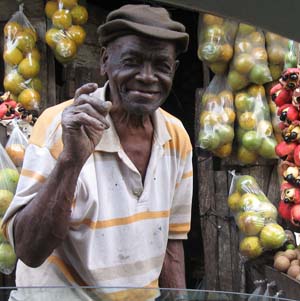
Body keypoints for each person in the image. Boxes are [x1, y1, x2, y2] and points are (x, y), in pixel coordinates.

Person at [2, 4, 193, 301]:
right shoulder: (58, 126)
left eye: (161, 66)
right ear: (105, 61)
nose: (147, 76)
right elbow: (29, 251)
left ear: (174, 72)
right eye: (132, 61)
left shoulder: (176, 136)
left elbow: (171, 242)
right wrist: (71, 160)